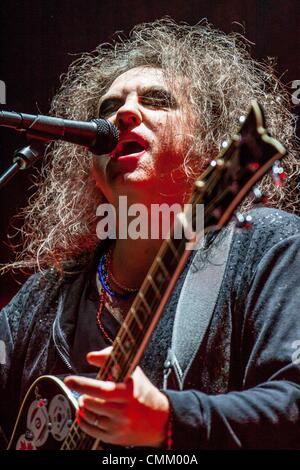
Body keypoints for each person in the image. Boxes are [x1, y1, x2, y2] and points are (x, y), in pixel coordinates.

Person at [0, 18, 300, 450]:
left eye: (158, 100)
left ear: (209, 140)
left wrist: (169, 419)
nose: (123, 114)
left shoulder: (270, 247)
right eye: (107, 109)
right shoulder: (45, 297)